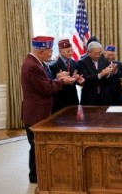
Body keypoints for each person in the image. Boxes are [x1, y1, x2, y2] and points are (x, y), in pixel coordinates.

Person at [21, 36, 76, 183]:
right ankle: (36, 177)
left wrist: (57, 77)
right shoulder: (33, 66)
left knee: (36, 146)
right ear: (40, 52)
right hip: (36, 113)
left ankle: (37, 175)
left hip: (39, 111)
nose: (51, 54)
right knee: (36, 146)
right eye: (49, 51)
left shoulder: (37, 63)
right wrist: (62, 81)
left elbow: (45, 82)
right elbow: (46, 88)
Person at [49, 39, 84, 113]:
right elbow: (51, 84)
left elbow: (78, 80)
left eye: (72, 50)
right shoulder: (53, 66)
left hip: (73, 99)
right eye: (68, 51)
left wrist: (79, 79)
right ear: (60, 51)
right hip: (60, 99)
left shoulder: (75, 63)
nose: (71, 53)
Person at [78, 41, 113, 105]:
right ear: (88, 52)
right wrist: (100, 75)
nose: (98, 56)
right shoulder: (82, 63)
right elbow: (85, 78)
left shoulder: (104, 60)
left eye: (99, 53)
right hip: (89, 97)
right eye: (95, 53)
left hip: (104, 97)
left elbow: (110, 77)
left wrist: (108, 74)